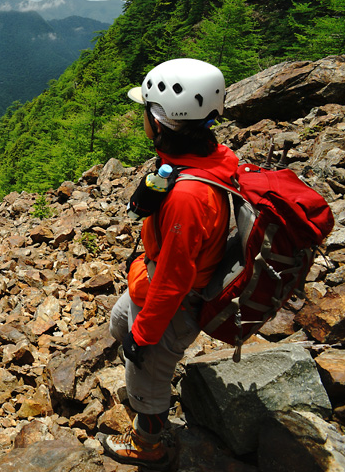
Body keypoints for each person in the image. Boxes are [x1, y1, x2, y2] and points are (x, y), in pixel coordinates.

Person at [96, 58, 239, 470]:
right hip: (155, 276)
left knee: (147, 369)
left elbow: (175, 281)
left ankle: (148, 443)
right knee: (120, 321)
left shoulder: (187, 198)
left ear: (160, 119)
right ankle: (141, 373)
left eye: (145, 109)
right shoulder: (202, 157)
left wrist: (144, 338)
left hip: (175, 302)